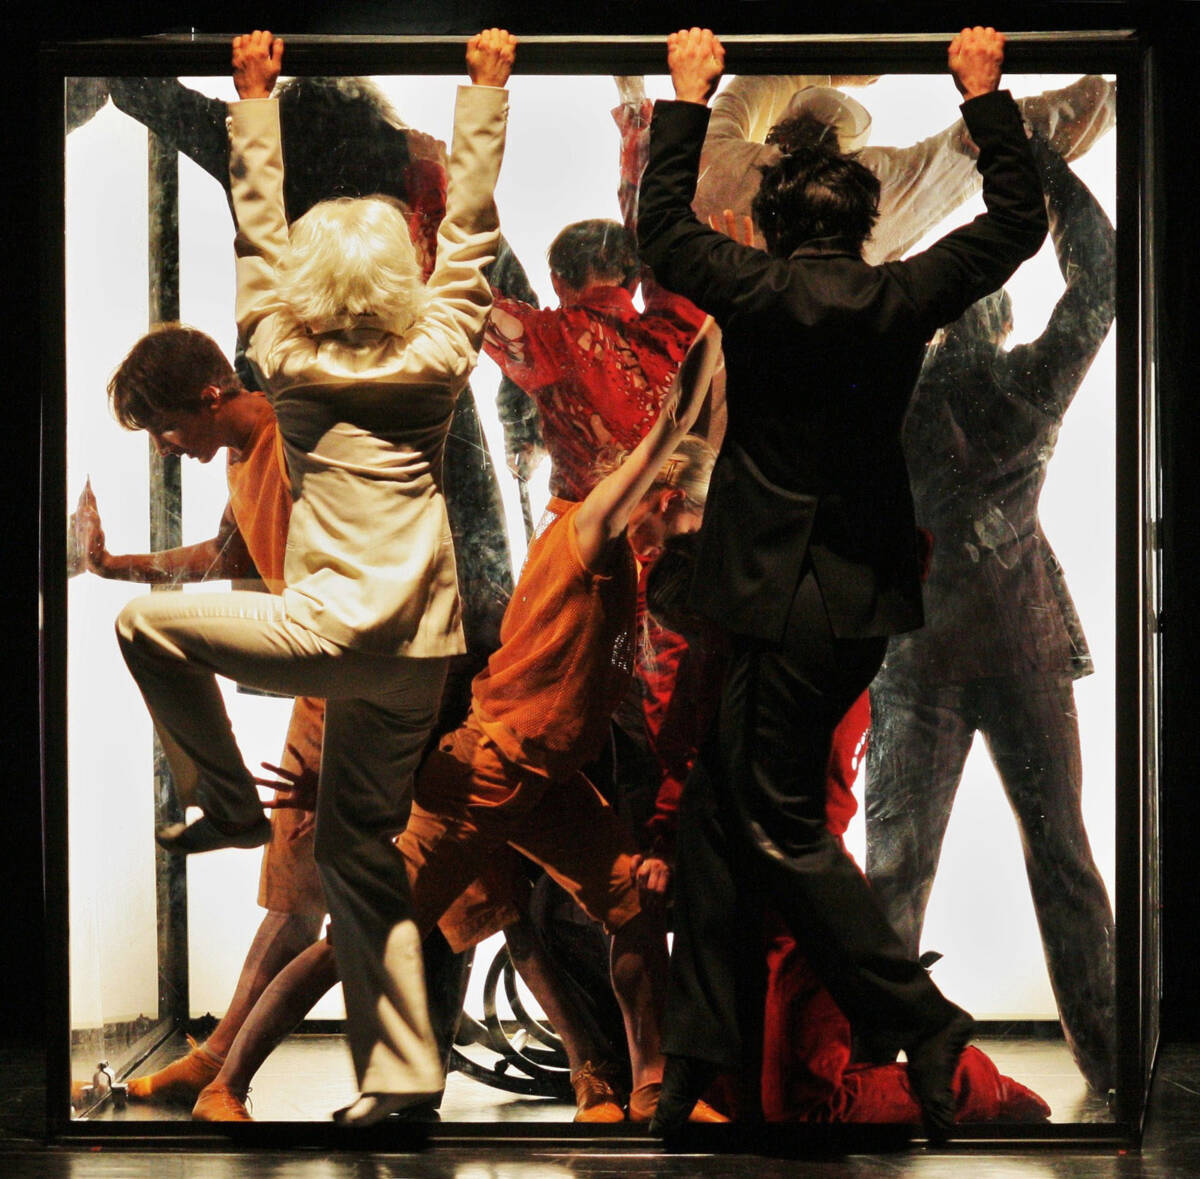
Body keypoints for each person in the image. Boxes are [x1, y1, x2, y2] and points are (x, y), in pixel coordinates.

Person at [635, 26, 1048, 1142]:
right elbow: (1016, 222)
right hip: (851, 601)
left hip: (772, 595)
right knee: (720, 814)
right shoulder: (900, 295)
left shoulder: (754, 290)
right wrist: (984, 96)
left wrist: (690, 97)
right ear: (861, 224)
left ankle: (922, 1018)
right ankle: (697, 1063)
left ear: (774, 225)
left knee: (772, 818)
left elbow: (661, 230)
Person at [115, 27, 517, 1125]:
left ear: (305, 291)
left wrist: (252, 98)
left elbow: (257, 230)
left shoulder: (282, 358)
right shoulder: (441, 352)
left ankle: (225, 803)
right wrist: (486, 91)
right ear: (405, 280)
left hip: (326, 635)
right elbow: (471, 231)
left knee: (147, 629)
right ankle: (403, 1074)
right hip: (420, 656)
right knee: (356, 852)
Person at [397, 319, 725, 1125]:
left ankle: (645, 1082)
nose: (690, 537)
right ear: (664, 500)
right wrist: (717, 321)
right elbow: (670, 432)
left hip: (546, 777)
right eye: (689, 519)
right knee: (376, 930)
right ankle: (237, 1067)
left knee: (627, 907)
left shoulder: (625, 564)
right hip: (490, 764)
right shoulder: (591, 530)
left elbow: (694, 442)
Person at [864, 134, 1117, 1094]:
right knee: (1065, 860)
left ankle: (864, 1066)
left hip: (915, 651)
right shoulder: (1022, 387)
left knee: (894, 872)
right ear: (1003, 322)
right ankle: (1109, 1060)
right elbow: (1099, 281)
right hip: (1022, 641)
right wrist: (1039, 164)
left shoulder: (891, 400)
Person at [70, 325, 327, 1104]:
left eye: (165, 427)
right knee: (295, 892)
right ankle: (216, 1064)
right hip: (320, 691)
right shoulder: (243, 459)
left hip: (359, 665)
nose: (164, 447)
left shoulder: (295, 437)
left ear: (211, 396)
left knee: (463, 887)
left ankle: (606, 1067)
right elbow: (226, 558)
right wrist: (113, 564)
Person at [680, 68, 1113, 264]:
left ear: (779, 126)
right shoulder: (873, 186)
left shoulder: (719, 157)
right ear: (844, 154)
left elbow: (752, 86)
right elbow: (960, 151)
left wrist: (833, 72)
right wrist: (1109, 100)